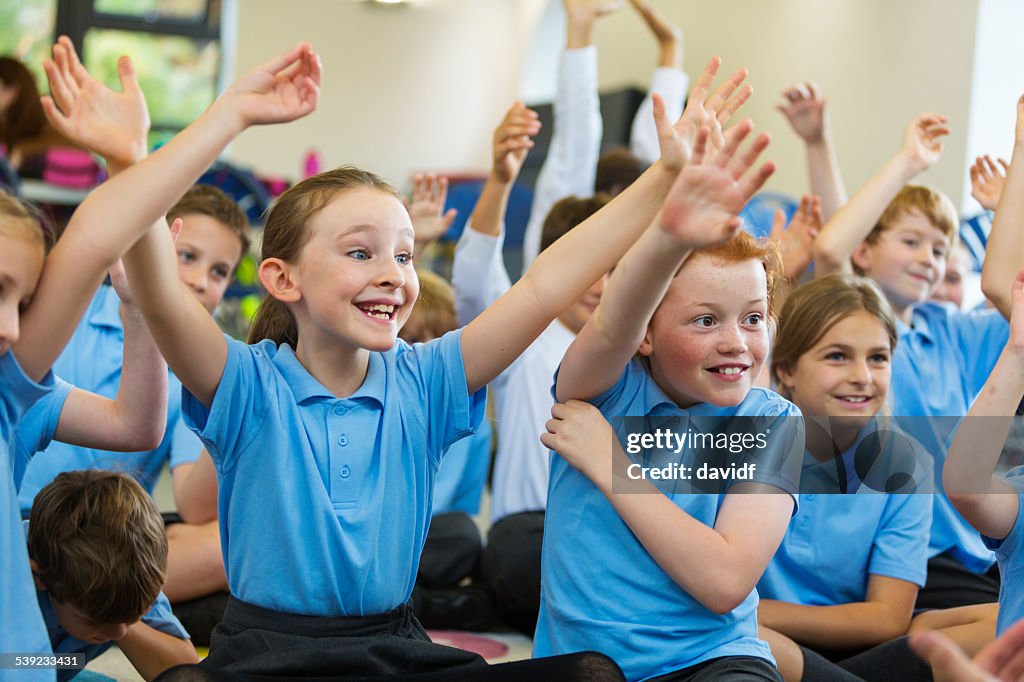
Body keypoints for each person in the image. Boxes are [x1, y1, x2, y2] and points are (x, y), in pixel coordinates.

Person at [77, 35, 720, 678]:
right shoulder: (246, 382)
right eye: (362, 252)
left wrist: (663, 178)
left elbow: (544, 284)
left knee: (591, 674)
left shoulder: (426, 380)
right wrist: (131, 158)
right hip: (268, 655)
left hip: (392, 650)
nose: (393, 274)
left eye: (404, 256)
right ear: (281, 278)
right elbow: (160, 294)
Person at [453, 61, 752, 635]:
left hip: (628, 534)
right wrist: (498, 182)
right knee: (510, 546)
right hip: (532, 532)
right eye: (589, 269)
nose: (601, 285)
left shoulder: (661, 366)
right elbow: (477, 283)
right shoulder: (530, 342)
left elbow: (722, 574)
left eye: (618, 271)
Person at [537, 118, 798, 680]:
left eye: (754, 317)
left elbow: (724, 582)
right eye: (706, 320)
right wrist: (667, 233)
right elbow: (611, 326)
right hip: (586, 665)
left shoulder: (773, 421)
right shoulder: (606, 388)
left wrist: (611, 464)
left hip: (713, 660)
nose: (736, 342)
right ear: (645, 336)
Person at [812, 111, 1018, 609]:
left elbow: (1007, 285)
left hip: (966, 551)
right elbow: (830, 246)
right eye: (911, 242)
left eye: (940, 248)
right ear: (866, 252)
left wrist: (1008, 206)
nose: (930, 258)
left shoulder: (954, 333)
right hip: (888, 553)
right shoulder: (852, 328)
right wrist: (909, 162)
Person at [759, 274, 933, 682]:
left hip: (841, 643)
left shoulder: (906, 463)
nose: (862, 376)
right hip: (745, 644)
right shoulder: (740, 444)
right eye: (837, 356)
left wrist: (757, 615)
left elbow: (887, 618)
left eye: (878, 358)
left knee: (993, 625)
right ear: (785, 369)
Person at [28, 471, 197, 680]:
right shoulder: (15, 578)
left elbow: (186, 673)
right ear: (37, 578)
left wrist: (121, 614)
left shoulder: (129, 574)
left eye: (135, 615)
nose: (119, 634)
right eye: (95, 620)